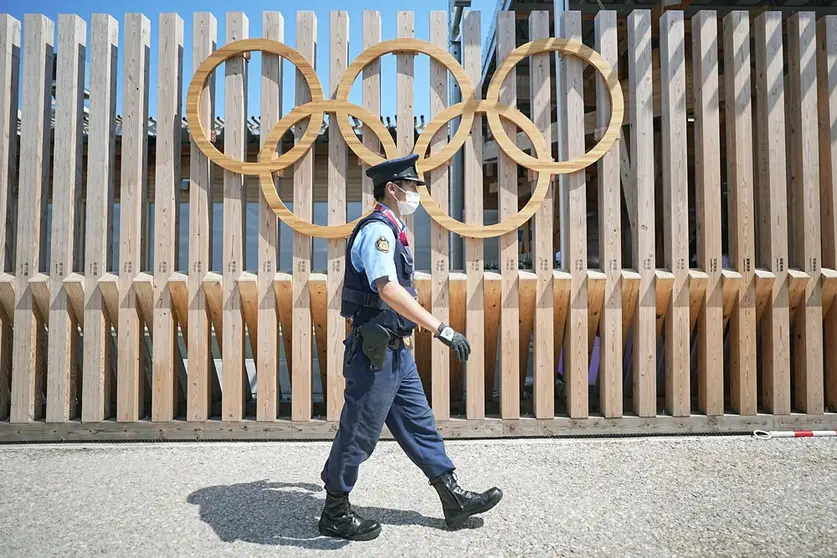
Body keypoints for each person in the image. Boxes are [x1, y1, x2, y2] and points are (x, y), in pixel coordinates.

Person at [318, 154, 503, 541]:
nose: (416, 193)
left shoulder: (394, 231)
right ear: (393, 189)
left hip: (396, 353)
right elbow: (387, 289)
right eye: (413, 187)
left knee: (421, 425)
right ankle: (335, 511)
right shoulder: (377, 233)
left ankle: (453, 499)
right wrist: (441, 328)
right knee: (359, 431)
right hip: (375, 355)